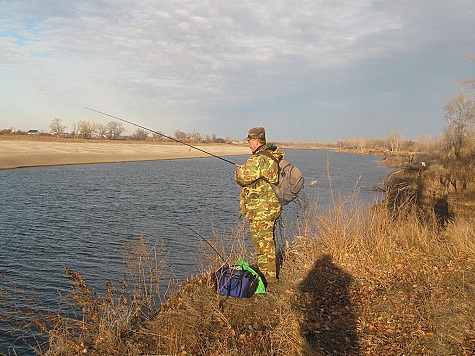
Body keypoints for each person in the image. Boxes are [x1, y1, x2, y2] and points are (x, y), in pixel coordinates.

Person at [234, 127, 284, 284]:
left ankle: (268, 277)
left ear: (256, 141)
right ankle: (267, 273)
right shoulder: (271, 155)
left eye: (249, 141)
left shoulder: (259, 159)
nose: (248, 144)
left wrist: (241, 171)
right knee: (267, 240)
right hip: (270, 207)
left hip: (262, 210)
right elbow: (259, 176)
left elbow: (242, 179)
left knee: (263, 243)